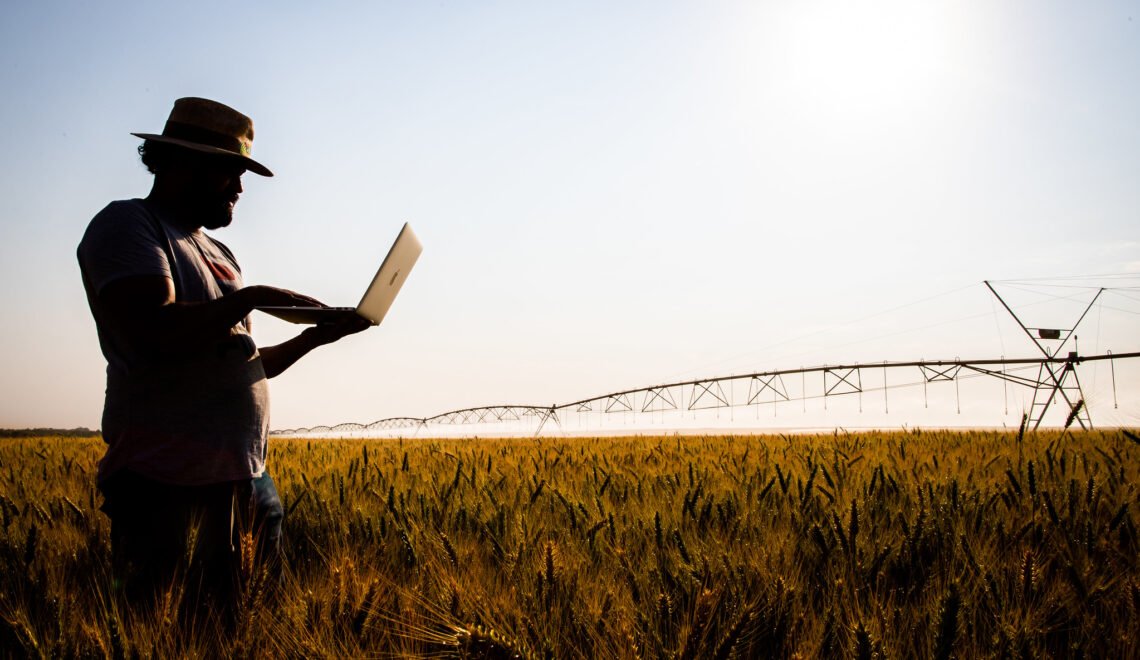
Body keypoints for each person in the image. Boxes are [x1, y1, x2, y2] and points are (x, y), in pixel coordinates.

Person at [77, 97, 369, 616]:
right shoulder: (130, 225)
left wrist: (316, 338)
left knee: (247, 629)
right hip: (167, 482)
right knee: (169, 632)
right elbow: (153, 331)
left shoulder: (218, 253)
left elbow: (241, 359)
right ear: (181, 165)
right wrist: (251, 296)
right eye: (230, 173)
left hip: (249, 476)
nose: (239, 188)